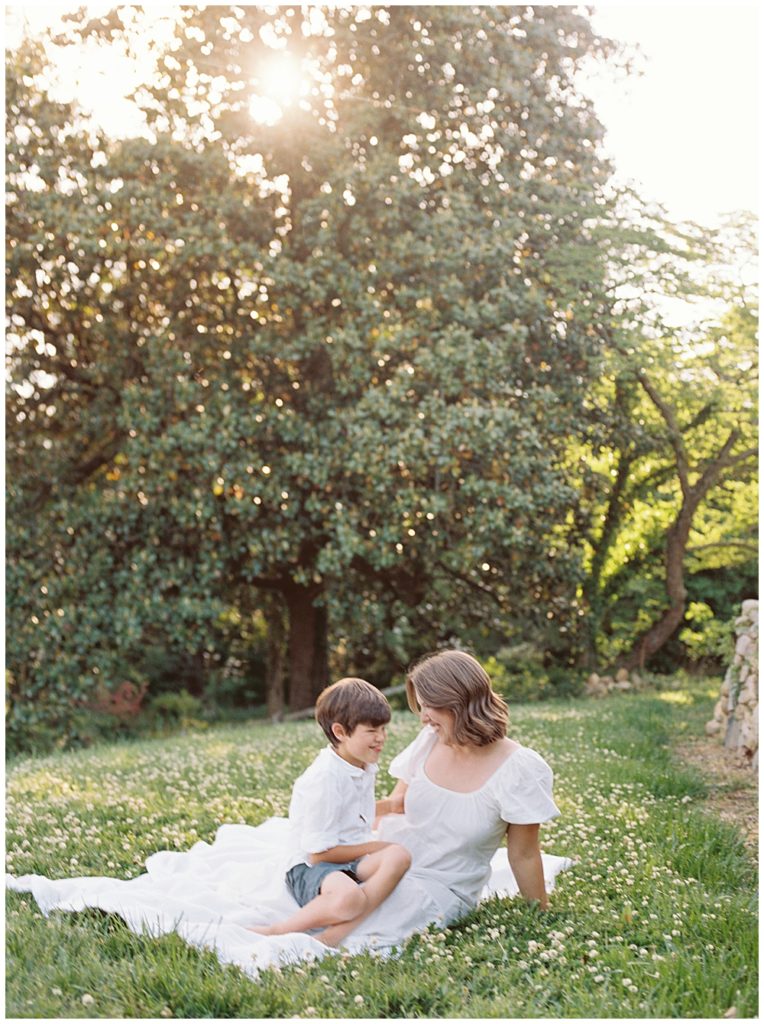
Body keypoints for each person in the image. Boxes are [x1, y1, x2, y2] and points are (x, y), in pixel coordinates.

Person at [315, 649, 562, 947]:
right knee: (307, 888)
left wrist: (541, 914)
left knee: (351, 925)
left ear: (459, 701)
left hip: (441, 886)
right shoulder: (430, 740)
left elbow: (523, 854)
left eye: (429, 706)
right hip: (385, 859)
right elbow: (396, 805)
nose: (422, 718)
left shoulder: (519, 769)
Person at [248, 677, 411, 944]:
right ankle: (279, 931)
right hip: (312, 868)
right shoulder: (323, 779)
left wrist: (390, 806)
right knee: (350, 898)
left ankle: (340, 929)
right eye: (372, 731)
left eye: (383, 728)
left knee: (399, 856)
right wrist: (375, 847)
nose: (381, 738)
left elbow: (351, 811)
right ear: (340, 732)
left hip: (347, 860)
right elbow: (319, 854)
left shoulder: (361, 763)